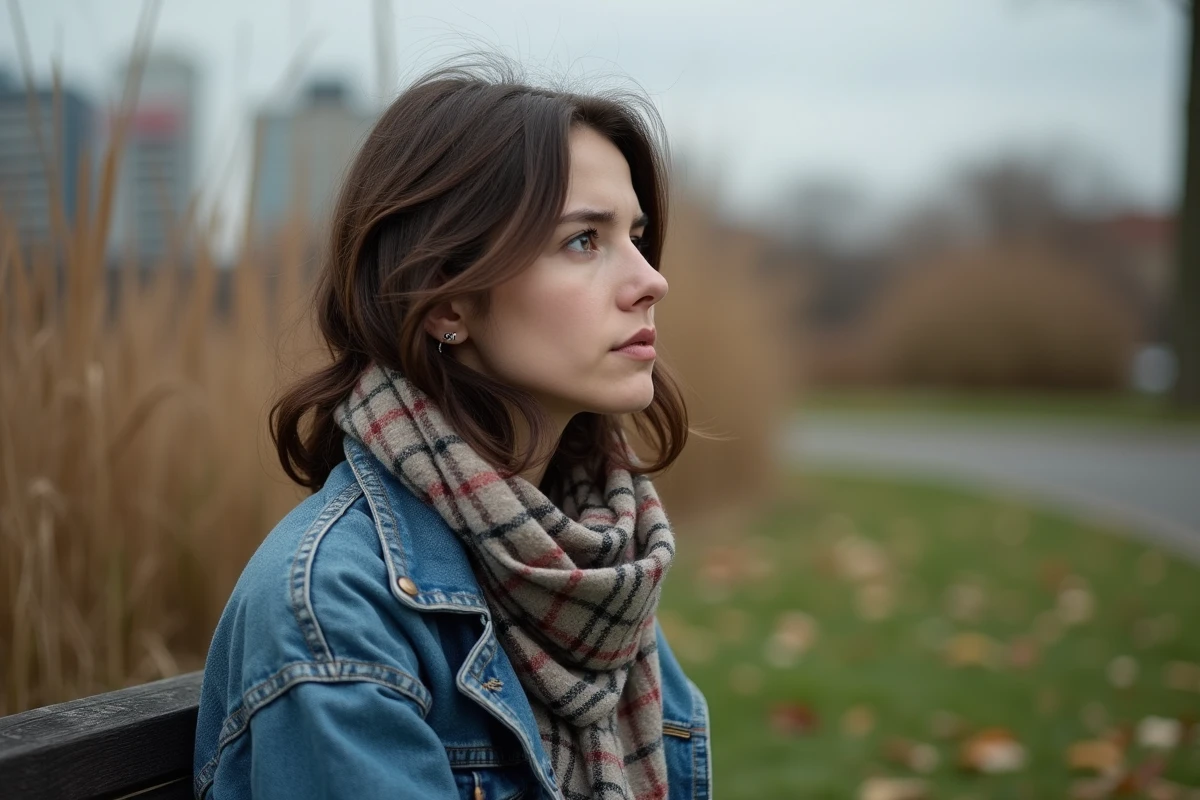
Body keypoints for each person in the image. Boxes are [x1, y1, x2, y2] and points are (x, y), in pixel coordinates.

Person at [193, 56, 711, 800]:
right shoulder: (337, 610)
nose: (650, 280)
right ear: (447, 303)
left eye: (635, 235)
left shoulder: (592, 570)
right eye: (583, 241)